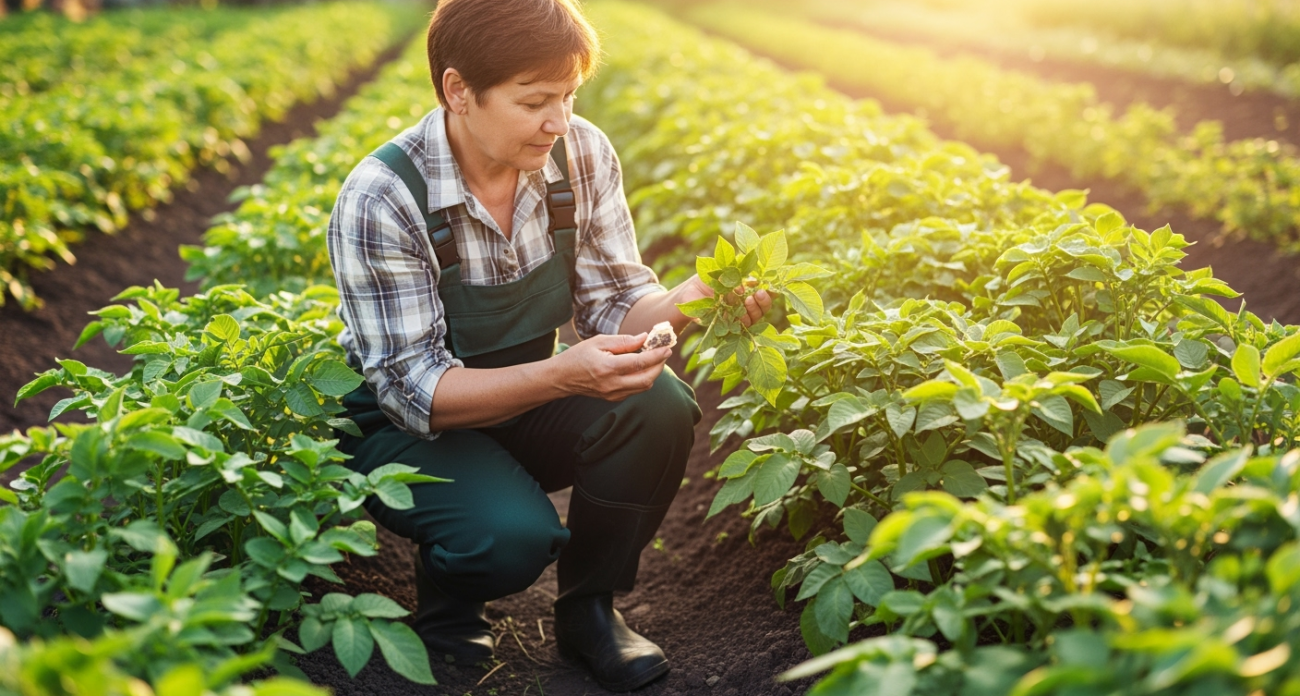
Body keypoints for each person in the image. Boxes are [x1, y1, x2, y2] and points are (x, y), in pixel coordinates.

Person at [325, 0, 772, 691]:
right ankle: (449, 601)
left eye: (567, 96)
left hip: (524, 390)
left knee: (658, 405)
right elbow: (415, 390)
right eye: (535, 101)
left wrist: (687, 302)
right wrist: (563, 377)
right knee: (510, 538)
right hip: (407, 427)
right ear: (457, 92)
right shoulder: (383, 197)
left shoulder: (580, 153)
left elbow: (616, 304)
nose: (557, 120)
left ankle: (589, 609)